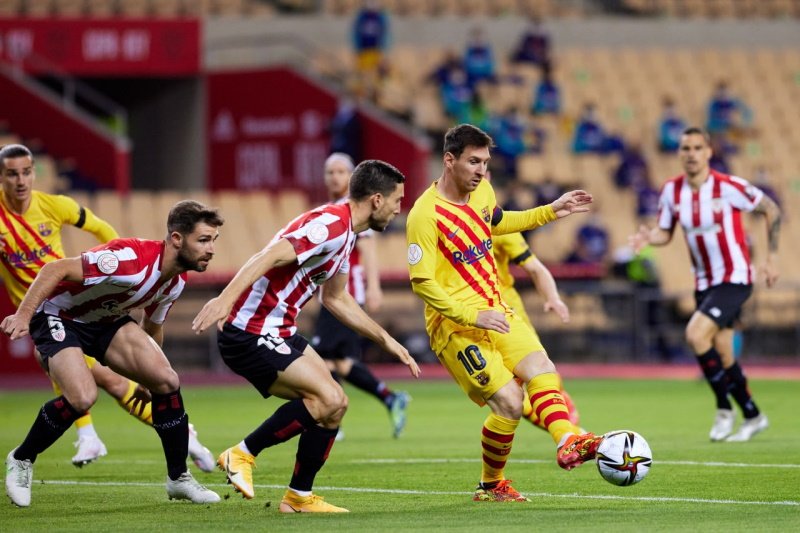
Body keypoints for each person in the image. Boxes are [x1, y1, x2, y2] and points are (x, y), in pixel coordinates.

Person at [191, 159, 420, 513]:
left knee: (336, 404)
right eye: (397, 200)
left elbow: (336, 299)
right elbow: (269, 256)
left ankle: (298, 497)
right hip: (250, 331)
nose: (397, 208)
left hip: (279, 330)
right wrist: (225, 299)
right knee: (326, 399)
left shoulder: (347, 233)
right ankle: (243, 454)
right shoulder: (330, 226)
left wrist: (386, 340)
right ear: (377, 199)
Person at [405, 124, 600, 503]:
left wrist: (550, 211)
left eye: (485, 162)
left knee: (541, 367)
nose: (481, 170)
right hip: (455, 327)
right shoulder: (424, 216)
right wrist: (471, 316)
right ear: (449, 160)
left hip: (497, 309)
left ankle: (568, 440)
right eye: (473, 162)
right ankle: (492, 484)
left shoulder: (483, 192)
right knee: (510, 403)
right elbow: (422, 283)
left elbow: (496, 222)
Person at [0, 144, 215, 471]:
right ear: (1, 177)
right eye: (12, 174)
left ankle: (108, 436)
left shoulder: (55, 206)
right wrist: (25, 313)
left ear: (33, 173)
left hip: (80, 303)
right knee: (92, 386)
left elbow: (99, 228)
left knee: (107, 383)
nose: (20, 180)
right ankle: (89, 436)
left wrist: (112, 260)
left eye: (26, 172)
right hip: (47, 309)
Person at [630, 126, 781, 442]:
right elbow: (665, 232)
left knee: (695, 334)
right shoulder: (672, 191)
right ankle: (753, 415)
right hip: (704, 282)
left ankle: (724, 409)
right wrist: (649, 237)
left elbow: (771, 209)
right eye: (686, 148)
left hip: (735, 277)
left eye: (698, 148)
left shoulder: (728, 187)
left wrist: (772, 258)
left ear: (709, 152)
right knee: (724, 353)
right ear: (679, 153)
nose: (692, 154)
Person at [310, 153, 411, 440]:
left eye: (341, 172)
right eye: (330, 172)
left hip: (345, 294)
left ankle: (331, 419)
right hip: (331, 293)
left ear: (352, 177)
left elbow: (368, 250)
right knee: (341, 362)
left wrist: (373, 287)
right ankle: (388, 398)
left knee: (321, 358)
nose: (335, 177)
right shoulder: (332, 209)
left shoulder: (354, 210)